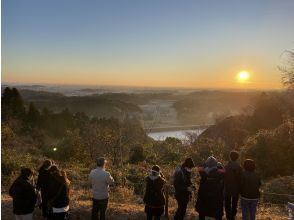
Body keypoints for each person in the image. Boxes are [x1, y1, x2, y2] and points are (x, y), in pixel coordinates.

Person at [195, 156, 225, 220]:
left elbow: (199, 168)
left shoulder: (203, 173)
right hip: (215, 196)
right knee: (217, 212)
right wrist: (219, 165)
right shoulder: (219, 173)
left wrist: (204, 164)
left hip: (204, 196)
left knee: (202, 211)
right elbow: (223, 171)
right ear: (215, 164)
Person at [224, 151, 242, 220]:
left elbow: (223, 177)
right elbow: (241, 179)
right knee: (234, 203)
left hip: (227, 188)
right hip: (236, 188)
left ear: (230, 157)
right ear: (237, 158)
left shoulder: (226, 166)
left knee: (227, 203)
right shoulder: (239, 168)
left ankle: (228, 216)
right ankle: (233, 216)